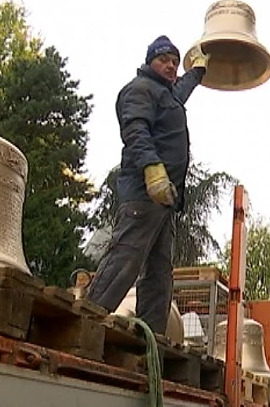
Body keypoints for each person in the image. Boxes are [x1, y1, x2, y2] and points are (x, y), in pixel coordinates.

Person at [85, 35, 209, 334]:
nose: (171, 66)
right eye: (164, 59)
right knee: (126, 256)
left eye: (175, 62)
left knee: (158, 272)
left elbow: (181, 91)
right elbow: (135, 129)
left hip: (165, 199)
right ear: (149, 61)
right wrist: (152, 169)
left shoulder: (166, 94)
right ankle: (86, 317)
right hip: (144, 192)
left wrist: (199, 71)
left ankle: (149, 336)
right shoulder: (139, 90)